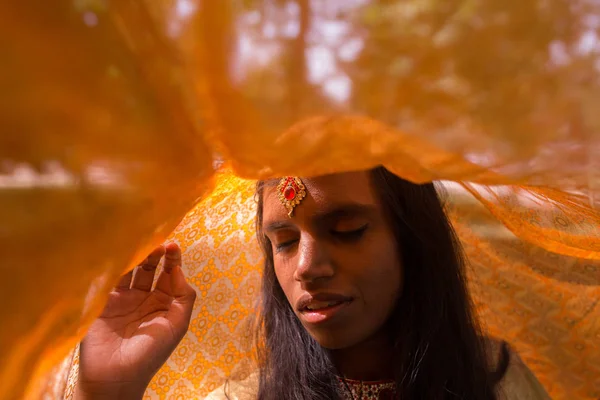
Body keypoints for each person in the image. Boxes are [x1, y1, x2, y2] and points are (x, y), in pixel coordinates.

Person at [73, 167, 550, 399]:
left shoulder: (498, 382)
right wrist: (110, 387)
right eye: (282, 241)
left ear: (413, 240)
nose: (306, 266)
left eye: (347, 232)